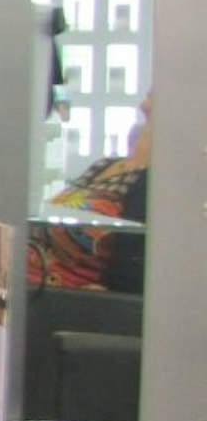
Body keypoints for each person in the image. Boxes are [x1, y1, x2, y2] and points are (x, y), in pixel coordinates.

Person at [28, 95, 152, 293]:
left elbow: (131, 264)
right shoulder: (104, 165)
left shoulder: (152, 184)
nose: (145, 101)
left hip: (63, 295)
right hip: (24, 280)